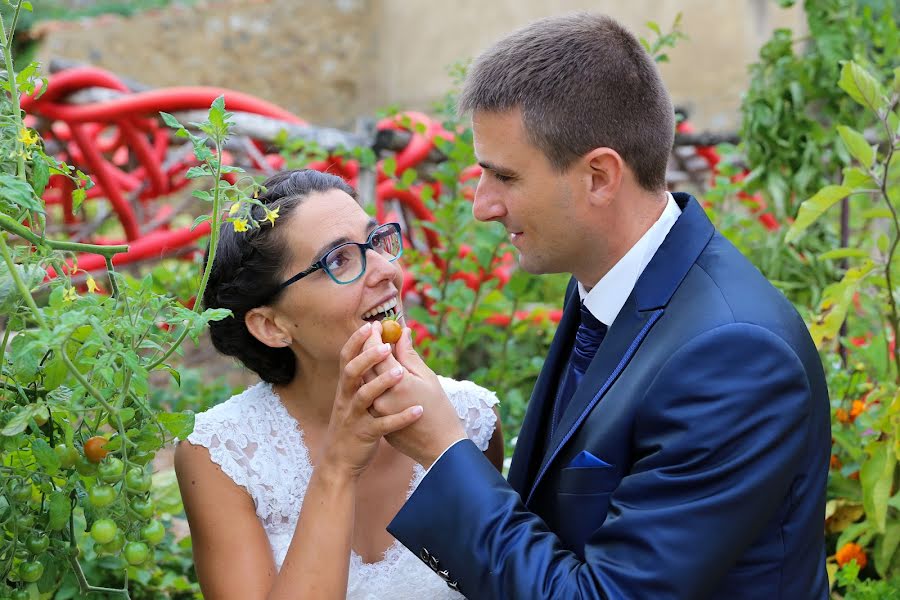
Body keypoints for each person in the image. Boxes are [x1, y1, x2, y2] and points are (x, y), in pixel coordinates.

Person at [369, 13, 831, 599]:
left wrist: (442, 450)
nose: (483, 206)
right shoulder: (611, 284)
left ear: (599, 176)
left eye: (504, 177)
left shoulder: (734, 353)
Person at [174, 169, 503, 599]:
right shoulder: (221, 456)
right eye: (339, 260)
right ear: (271, 326)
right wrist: (337, 468)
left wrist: (447, 449)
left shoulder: (471, 421)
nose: (386, 270)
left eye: (375, 242)